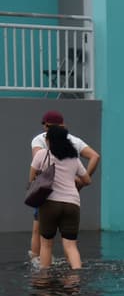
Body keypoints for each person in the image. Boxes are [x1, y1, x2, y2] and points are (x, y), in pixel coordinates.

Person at [29, 110, 99, 266]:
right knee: (71, 245)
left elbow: (33, 177)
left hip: (49, 202)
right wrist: (76, 182)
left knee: (46, 244)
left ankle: (43, 275)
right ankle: (76, 275)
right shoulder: (74, 157)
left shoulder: (41, 152)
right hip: (72, 203)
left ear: (49, 138)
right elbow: (87, 179)